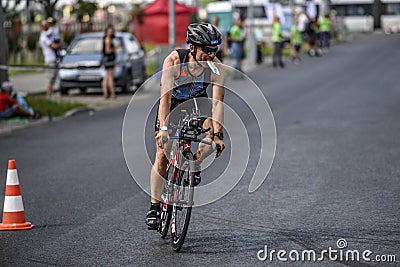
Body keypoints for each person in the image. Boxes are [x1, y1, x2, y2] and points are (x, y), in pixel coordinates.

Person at [146, 23, 226, 230]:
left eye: (214, 50)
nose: (211, 55)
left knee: (211, 142)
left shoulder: (217, 69)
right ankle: (154, 207)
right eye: (207, 51)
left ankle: (193, 164)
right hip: (172, 106)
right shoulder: (173, 61)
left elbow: (217, 105)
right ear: (192, 48)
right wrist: (163, 131)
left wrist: (217, 134)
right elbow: (164, 99)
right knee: (162, 154)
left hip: (197, 105)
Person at [39, 19, 61, 97]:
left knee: (55, 78)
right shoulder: (43, 37)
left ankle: (52, 94)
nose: (47, 27)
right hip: (50, 59)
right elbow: (53, 46)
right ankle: (49, 95)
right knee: (50, 79)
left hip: (55, 59)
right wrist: (60, 44)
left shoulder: (50, 34)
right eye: (45, 26)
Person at [102, 25, 116, 99]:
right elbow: (108, 51)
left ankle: (105, 93)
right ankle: (112, 93)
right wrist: (114, 49)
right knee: (110, 77)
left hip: (106, 60)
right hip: (109, 60)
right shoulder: (108, 40)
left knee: (106, 77)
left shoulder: (106, 38)